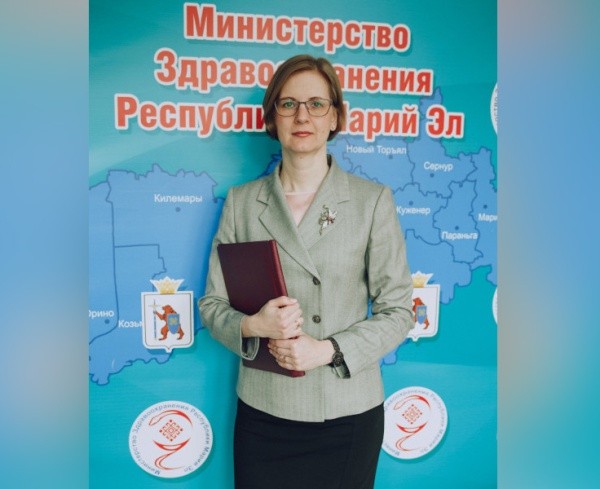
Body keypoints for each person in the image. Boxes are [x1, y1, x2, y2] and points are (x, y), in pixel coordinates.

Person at [198, 54, 414, 489]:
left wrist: (328, 350)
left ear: (334, 116)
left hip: (347, 412)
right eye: (288, 104)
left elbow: (399, 311)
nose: (302, 116)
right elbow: (212, 305)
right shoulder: (242, 202)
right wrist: (253, 325)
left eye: (317, 104)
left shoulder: (372, 201)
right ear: (272, 117)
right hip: (264, 411)